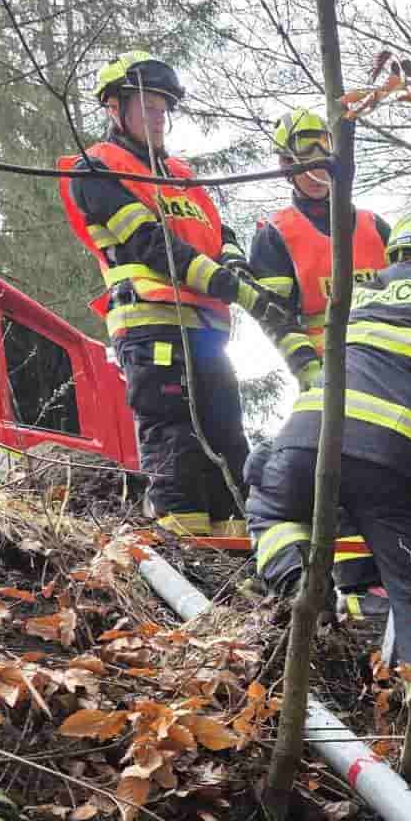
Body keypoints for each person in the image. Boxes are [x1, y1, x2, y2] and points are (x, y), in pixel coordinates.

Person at [244, 209, 411, 734]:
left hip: (308, 441)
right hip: (397, 460)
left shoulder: (354, 296)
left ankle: (305, 593)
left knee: (271, 511)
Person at [58, 52, 294, 535]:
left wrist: (234, 263)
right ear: (115, 108)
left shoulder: (181, 176)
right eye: (147, 106)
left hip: (207, 331)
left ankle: (238, 555)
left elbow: (220, 232)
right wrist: (229, 286)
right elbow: (152, 245)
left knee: (228, 439)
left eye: (163, 109)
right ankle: (187, 552)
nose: (158, 118)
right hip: (151, 327)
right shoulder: (96, 170)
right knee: (174, 438)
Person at [247, 107, 391, 619]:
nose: (315, 166)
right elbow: (276, 317)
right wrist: (312, 373)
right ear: (286, 165)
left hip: (384, 377)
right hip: (323, 379)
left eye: (322, 153)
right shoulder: (275, 234)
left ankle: (379, 587)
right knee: (332, 473)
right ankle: (350, 588)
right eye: (304, 156)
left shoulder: (374, 226)